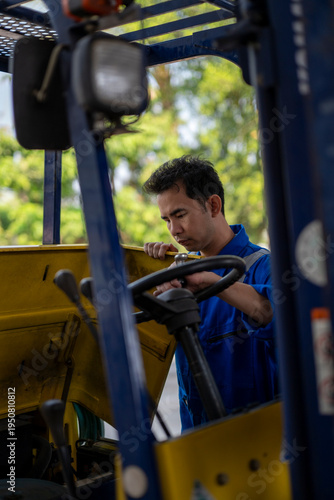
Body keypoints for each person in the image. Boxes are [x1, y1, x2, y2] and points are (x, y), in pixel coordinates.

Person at [143, 155, 278, 430]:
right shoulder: (179, 274)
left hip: (259, 444)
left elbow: (272, 313)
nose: (173, 230)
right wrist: (150, 272)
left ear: (213, 205)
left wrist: (212, 282)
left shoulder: (265, 267)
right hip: (197, 442)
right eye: (166, 220)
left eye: (180, 215)